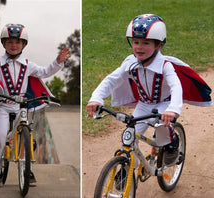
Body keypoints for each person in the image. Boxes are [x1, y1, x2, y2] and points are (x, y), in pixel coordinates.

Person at [86, 14, 212, 166]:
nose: (139, 47)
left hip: (164, 104)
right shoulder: (130, 63)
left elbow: (176, 86)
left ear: (158, 45)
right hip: (144, 104)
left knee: (162, 129)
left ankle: (172, 144)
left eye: (146, 43)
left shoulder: (165, 65)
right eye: (136, 42)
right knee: (128, 136)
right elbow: (111, 80)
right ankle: (128, 168)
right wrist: (96, 98)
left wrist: (173, 109)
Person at [0, 23, 70, 187]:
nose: (14, 45)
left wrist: (58, 61)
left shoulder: (28, 65)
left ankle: (27, 168)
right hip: (4, 106)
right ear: (4, 44)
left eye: (18, 42)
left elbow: (45, 72)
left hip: (21, 106)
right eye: (10, 42)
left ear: (23, 45)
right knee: (0, 137)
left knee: (28, 135)